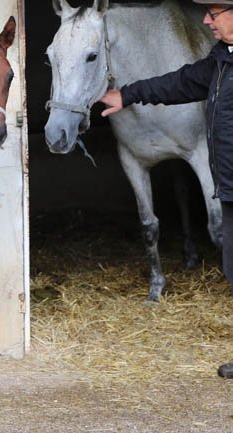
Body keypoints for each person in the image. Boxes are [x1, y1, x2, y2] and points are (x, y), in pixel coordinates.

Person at [99, 0, 233, 378]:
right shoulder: (221, 60)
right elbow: (181, 83)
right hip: (229, 184)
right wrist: (127, 94)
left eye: (213, 13)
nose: (205, 19)